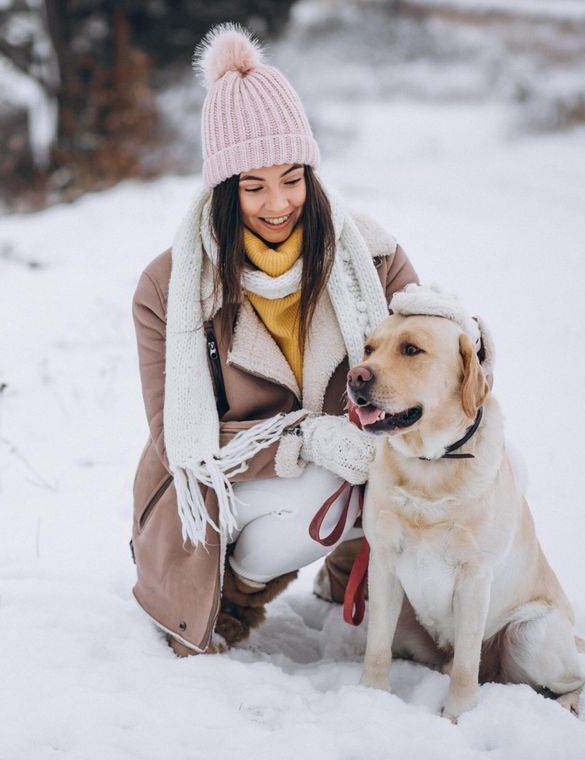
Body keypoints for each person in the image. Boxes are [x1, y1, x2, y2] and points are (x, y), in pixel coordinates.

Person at [129, 24, 420, 656]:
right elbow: (176, 438)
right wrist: (306, 438)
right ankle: (232, 591)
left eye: (291, 178)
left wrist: (461, 341)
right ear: (223, 191)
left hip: (354, 463)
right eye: (253, 186)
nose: (278, 203)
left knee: (428, 461)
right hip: (218, 493)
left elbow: (421, 367)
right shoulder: (168, 287)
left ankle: (355, 576)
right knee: (325, 490)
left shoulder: (370, 257)